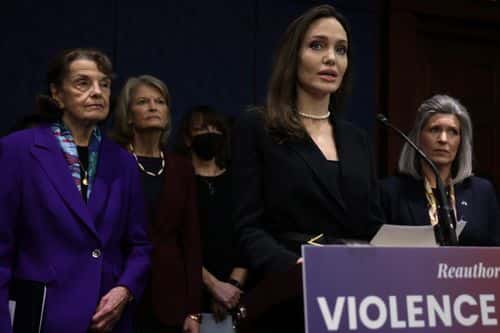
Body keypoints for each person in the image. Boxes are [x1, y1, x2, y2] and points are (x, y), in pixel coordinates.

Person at [231, 5, 383, 332]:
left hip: (353, 302)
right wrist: (292, 267)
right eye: (318, 46)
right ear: (293, 56)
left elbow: (372, 224)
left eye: (340, 50)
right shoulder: (257, 126)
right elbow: (248, 227)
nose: (331, 58)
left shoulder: (358, 140)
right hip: (286, 298)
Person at [0, 48, 151, 333]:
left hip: (105, 322)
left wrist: (125, 289)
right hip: (42, 320)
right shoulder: (18, 150)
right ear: (57, 94)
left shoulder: (123, 162)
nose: (97, 92)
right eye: (83, 83)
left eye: (104, 84)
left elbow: (139, 246)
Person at [111, 75, 201, 333]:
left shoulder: (181, 168)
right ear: (128, 116)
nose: (153, 107)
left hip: (169, 298)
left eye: (159, 102)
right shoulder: (112, 160)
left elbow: (191, 240)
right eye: (143, 102)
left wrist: (193, 310)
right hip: (118, 291)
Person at [379, 94, 500, 245]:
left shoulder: (482, 192)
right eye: (434, 129)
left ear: (461, 142)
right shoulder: (389, 193)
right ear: (418, 137)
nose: (443, 139)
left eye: (452, 132)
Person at [175, 106, 247, 330]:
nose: (210, 133)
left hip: (237, 299)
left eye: (216, 128)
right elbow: (177, 242)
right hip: (191, 300)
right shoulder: (178, 183)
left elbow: (249, 237)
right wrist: (214, 286)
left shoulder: (239, 182)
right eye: (202, 129)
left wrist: (231, 287)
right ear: (188, 138)